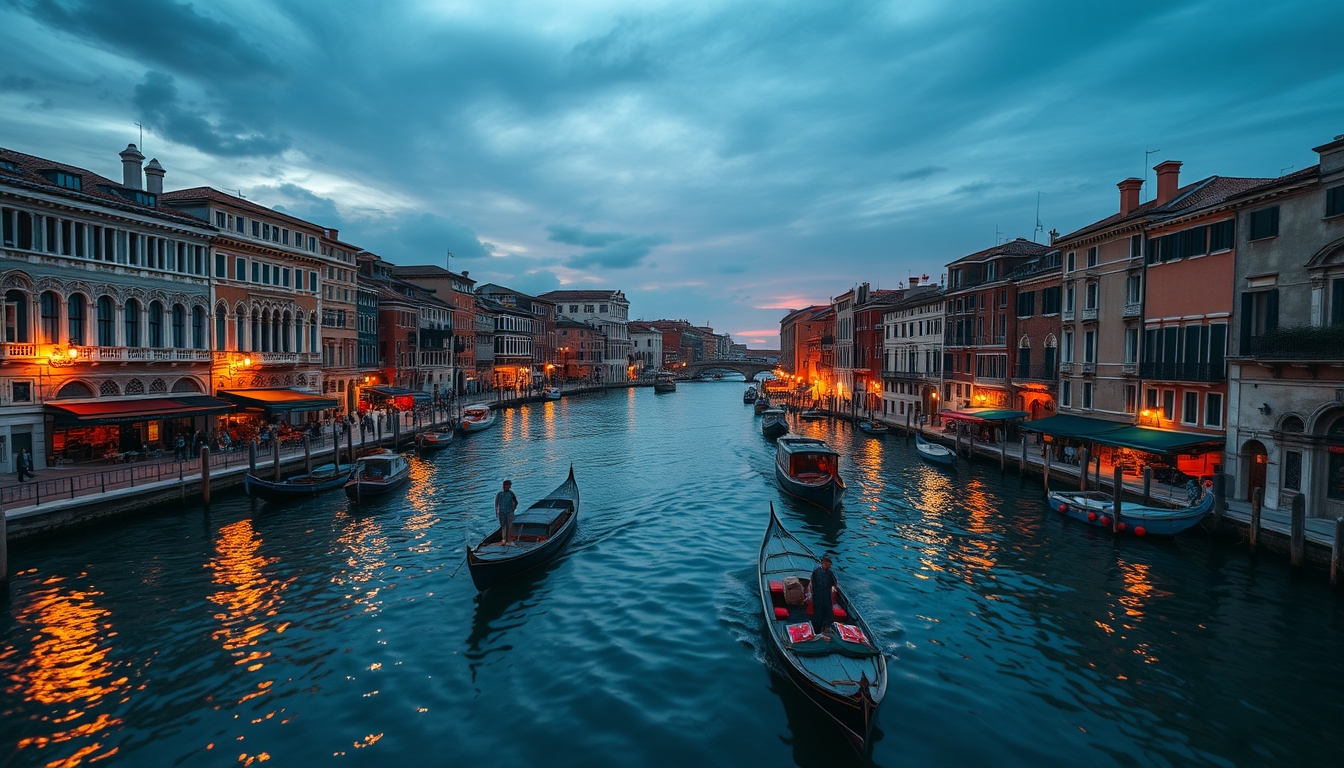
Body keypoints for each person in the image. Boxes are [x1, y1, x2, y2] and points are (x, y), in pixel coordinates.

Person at [808, 554, 838, 635]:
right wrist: (811, 594)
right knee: (818, 612)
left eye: (829, 563)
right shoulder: (816, 571)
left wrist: (834, 589)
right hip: (818, 594)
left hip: (826, 594)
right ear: (822, 563)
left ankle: (827, 627)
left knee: (828, 610)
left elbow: (834, 583)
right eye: (825, 562)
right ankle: (816, 630)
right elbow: (812, 584)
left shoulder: (830, 573)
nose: (827, 564)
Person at [495, 479, 519, 545]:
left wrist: (513, 509)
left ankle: (509, 539)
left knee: (510, 525)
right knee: (503, 526)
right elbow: (496, 504)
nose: (507, 486)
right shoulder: (500, 494)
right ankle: (504, 539)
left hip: (509, 512)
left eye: (508, 485)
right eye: (506, 485)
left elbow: (516, 502)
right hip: (502, 512)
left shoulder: (511, 493)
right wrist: (497, 512)